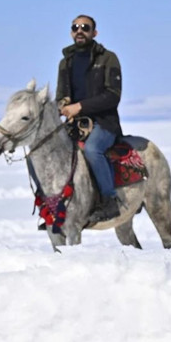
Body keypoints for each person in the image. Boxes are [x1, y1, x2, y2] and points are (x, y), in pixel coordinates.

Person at [55, 14, 123, 222]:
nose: (79, 31)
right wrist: (63, 104)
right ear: (71, 32)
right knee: (48, 150)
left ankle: (109, 201)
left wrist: (80, 106)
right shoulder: (66, 62)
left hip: (104, 123)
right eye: (75, 27)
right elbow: (61, 95)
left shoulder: (107, 58)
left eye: (85, 27)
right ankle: (53, 205)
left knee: (93, 150)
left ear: (94, 33)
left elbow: (113, 95)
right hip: (76, 124)